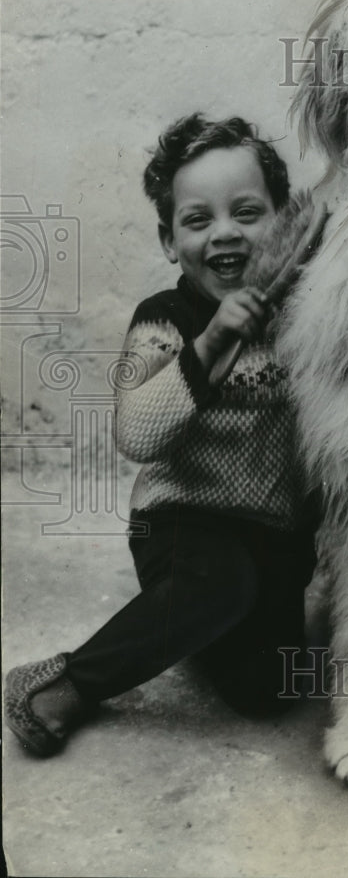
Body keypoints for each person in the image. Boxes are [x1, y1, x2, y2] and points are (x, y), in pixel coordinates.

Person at [5, 114, 319, 756]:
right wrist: (210, 344)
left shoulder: (304, 315)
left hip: (275, 536)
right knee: (221, 582)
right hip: (181, 524)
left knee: (272, 691)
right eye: (197, 219)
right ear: (170, 240)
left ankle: (194, 627)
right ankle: (66, 682)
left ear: (284, 223)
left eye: (247, 213)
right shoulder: (163, 321)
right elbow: (136, 433)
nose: (224, 232)